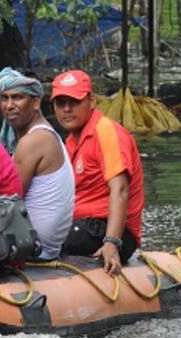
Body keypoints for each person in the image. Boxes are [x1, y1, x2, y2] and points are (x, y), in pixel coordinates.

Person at [52, 70, 144, 275]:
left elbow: (120, 189)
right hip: (82, 225)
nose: (67, 109)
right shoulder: (70, 142)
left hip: (112, 233)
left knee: (64, 237)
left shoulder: (107, 132)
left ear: (92, 101)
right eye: (61, 103)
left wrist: (111, 242)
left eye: (74, 102)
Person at [0, 67, 74, 260]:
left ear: (36, 102)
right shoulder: (43, 133)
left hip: (35, 248)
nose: (9, 105)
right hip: (38, 243)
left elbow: (5, 200)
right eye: (4, 98)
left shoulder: (34, 140)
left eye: (17, 98)